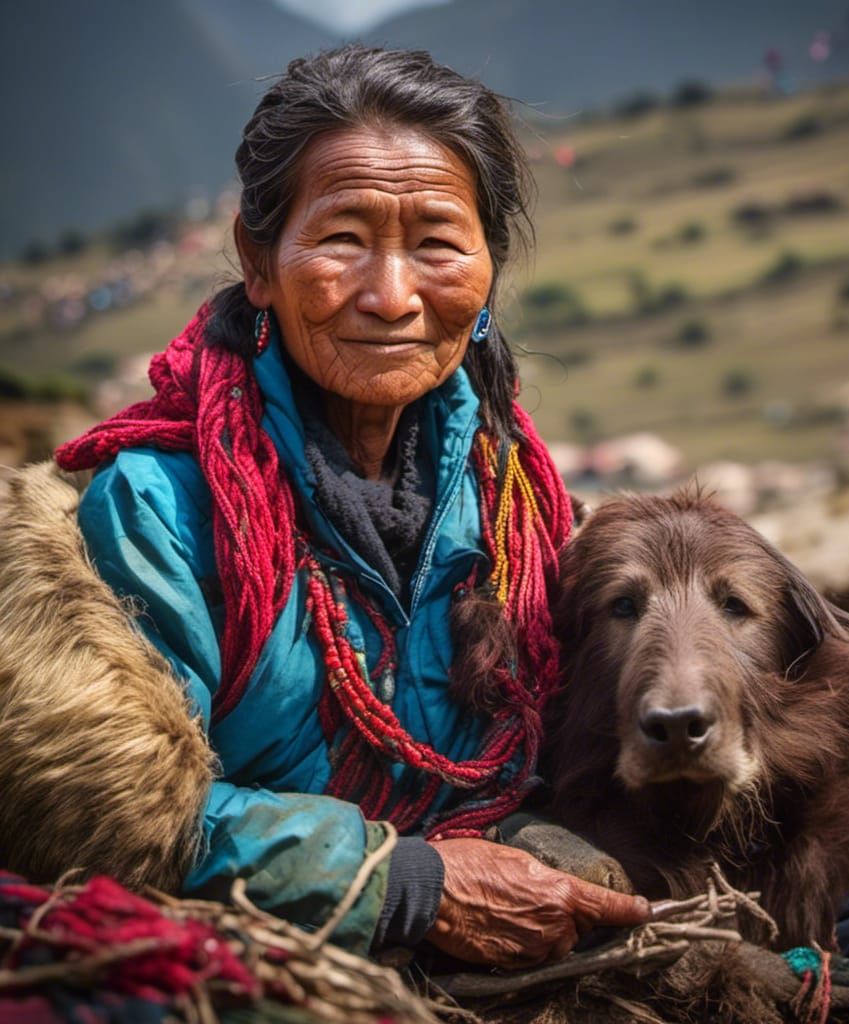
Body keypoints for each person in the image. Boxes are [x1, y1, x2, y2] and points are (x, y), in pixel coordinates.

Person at [54, 45, 649, 965]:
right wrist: (405, 885)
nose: (392, 295)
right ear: (260, 262)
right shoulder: (162, 508)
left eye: (440, 243)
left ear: (490, 268)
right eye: (341, 239)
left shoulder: (516, 510)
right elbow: (123, 818)